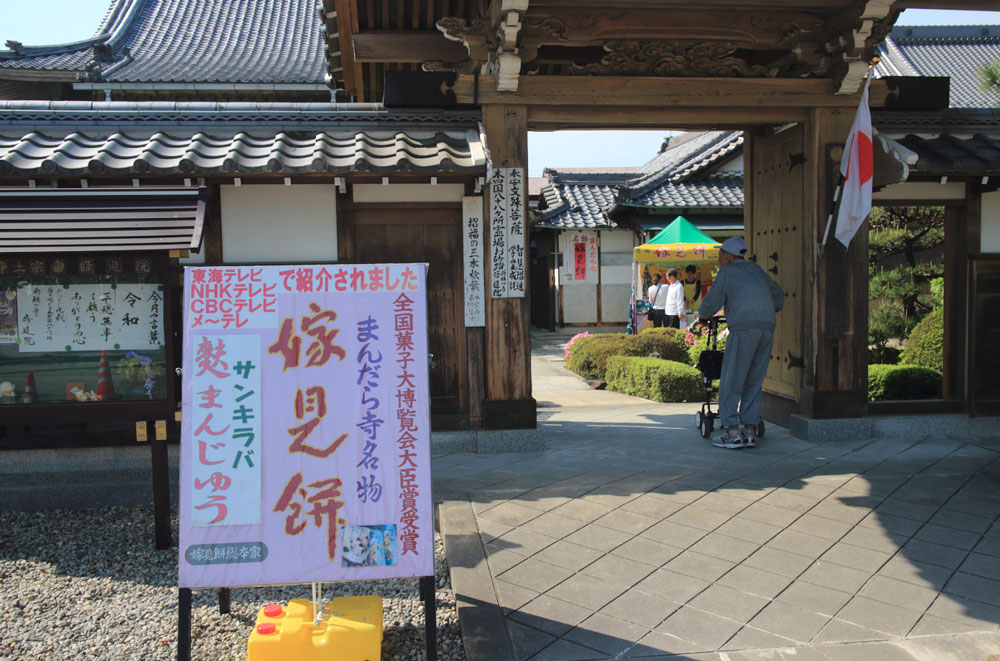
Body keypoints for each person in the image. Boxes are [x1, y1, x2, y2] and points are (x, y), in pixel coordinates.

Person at [698, 236, 784, 449]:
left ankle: (732, 431)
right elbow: (779, 297)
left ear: (728, 257)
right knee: (754, 379)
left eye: (720, 257)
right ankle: (749, 429)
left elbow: (711, 301)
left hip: (744, 328)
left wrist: (702, 316)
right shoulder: (756, 271)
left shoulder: (727, 272)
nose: (719, 260)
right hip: (766, 327)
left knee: (732, 378)